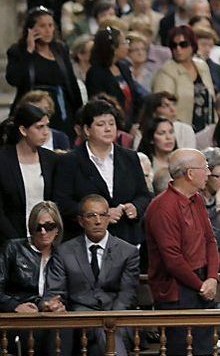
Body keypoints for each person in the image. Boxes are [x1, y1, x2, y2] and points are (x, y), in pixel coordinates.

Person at [45, 194, 139, 356]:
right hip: (79, 319)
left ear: (109, 218)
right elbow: (55, 291)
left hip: (117, 316)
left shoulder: (127, 251)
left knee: (104, 337)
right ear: (80, 221)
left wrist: (109, 321)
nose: (97, 221)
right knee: (102, 332)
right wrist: (54, 304)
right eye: (91, 215)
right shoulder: (65, 251)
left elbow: (127, 295)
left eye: (102, 215)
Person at [144, 148, 220, 356]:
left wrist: (211, 277)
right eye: (205, 167)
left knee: (203, 350)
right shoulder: (162, 207)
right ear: (190, 174)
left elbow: (211, 240)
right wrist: (201, 284)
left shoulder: (197, 199)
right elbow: (172, 259)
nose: (209, 172)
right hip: (176, 291)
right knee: (176, 353)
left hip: (201, 284)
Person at [53, 99, 151, 247]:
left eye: (112, 123)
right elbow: (63, 202)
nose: (108, 129)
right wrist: (99, 214)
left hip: (126, 239)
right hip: (84, 241)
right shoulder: (70, 161)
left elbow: (144, 194)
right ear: (87, 130)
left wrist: (135, 207)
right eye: (101, 124)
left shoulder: (130, 157)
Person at [6, 7, 84, 135]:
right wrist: (29, 52)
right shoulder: (18, 51)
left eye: (50, 25)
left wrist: (80, 115)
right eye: (42, 26)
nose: (48, 30)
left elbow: (71, 82)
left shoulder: (60, 49)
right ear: (31, 29)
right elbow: (14, 79)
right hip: (34, 109)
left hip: (62, 108)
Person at [0, 103, 58, 239]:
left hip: (46, 238)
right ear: (23, 130)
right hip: (10, 240)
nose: (45, 132)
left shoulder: (51, 160)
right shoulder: (3, 161)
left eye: (47, 126)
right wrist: (16, 243)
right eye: (39, 127)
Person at [0, 201, 63, 314]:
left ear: (57, 229)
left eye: (49, 226)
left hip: (50, 316)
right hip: (16, 315)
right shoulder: (13, 248)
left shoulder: (62, 254)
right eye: (38, 227)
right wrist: (14, 306)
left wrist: (54, 305)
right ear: (31, 229)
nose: (43, 232)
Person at [152, 25, 216, 131]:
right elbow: (162, 109)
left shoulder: (202, 66)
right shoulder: (166, 71)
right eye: (174, 45)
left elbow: (211, 98)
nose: (178, 49)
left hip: (207, 128)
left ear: (193, 45)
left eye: (183, 44)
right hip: (180, 131)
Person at [85, 26, 144, 125]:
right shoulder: (96, 74)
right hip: (113, 125)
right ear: (113, 47)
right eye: (124, 43)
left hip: (132, 124)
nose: (127, 47)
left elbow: (136, 97)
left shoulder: (124, 67)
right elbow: (100, 106)